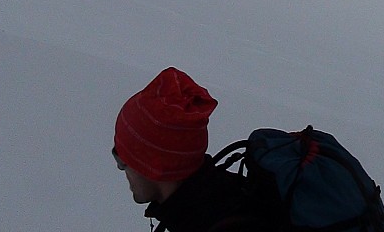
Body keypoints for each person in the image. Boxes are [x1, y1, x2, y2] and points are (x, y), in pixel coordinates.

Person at [113, 67, 270, 232]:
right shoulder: (220, 198)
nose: (119, 167)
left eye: (122, 160)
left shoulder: (217, 222)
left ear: (152, 165)